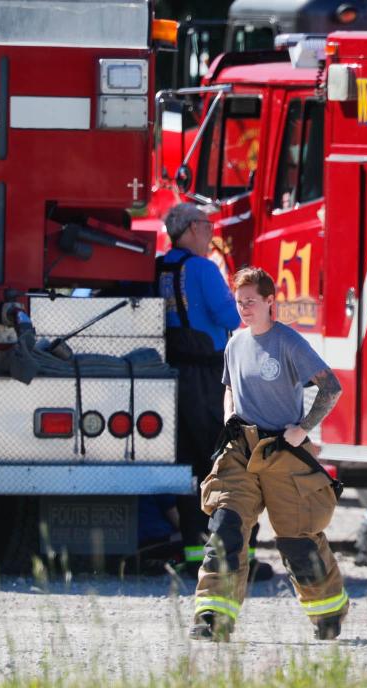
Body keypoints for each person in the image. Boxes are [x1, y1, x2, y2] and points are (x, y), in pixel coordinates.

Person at [190, 267, 347, 642]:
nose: (244, 308)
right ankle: (213, 615)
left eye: (251, 301)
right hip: (240, 450)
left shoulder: (288, 342)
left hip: (283, 452)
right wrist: (229, 413)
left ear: (269, 303)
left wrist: (303, 428)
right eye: (239, 302)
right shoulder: (234, 343)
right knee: (225, 528)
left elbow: (332, 388)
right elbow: (229, 386)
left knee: (298, 540)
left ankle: (328, 612)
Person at [157, 203, 241, 566]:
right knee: (221, 464)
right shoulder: (204, 269)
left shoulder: (160, 267)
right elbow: (231, 316)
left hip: (173, 376)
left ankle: (194, 549)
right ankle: (224, 555)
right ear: (191, 228)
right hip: (207, 377)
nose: (212, 233)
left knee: (188, 468)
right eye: (208, 226)